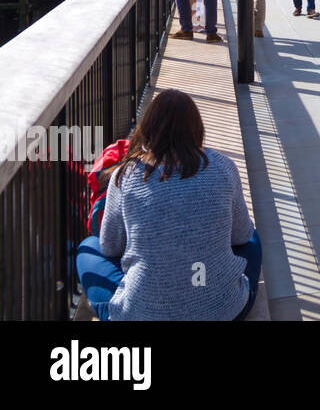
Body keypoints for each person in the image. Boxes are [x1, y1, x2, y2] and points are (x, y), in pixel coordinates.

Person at [74, 89, 261, 320]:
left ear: (148, 128)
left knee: (88, 248)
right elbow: (242, 236)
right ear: (196, 128)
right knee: (254, 239)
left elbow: (110, 246)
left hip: (144, 314)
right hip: (224, 311)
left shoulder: (126, 176)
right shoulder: (224, 166)